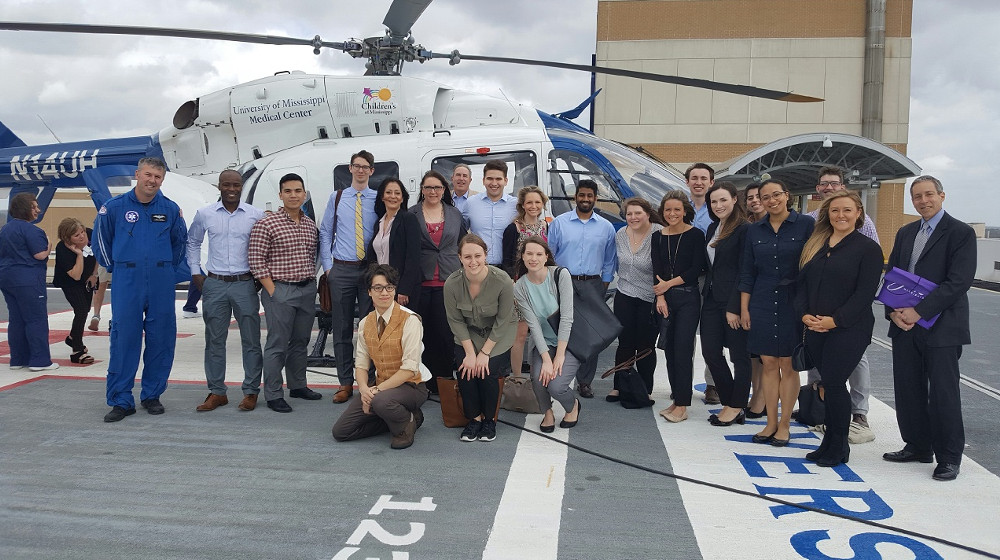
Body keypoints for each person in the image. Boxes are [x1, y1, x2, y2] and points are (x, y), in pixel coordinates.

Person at [882, 175, 976, 481]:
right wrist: (893, 312)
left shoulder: (959, 232)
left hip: (942, 327)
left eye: (928, 195)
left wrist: (918, 311)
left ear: (941, 195)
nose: (923, 201)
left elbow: (958, 281)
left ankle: (949, 456)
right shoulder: (906, 231)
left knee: (943, 393)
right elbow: (893, 275)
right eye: (917, 197)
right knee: (907, 388)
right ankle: (918, 445)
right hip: (904, 325)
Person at [94, 157, 188, 422]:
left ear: (162, 180)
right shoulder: (113, 207)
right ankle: (121, 400)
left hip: (161, 280)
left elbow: (179, 242)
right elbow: (101, 241)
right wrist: (118, 267)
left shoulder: (170, 209)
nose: (152, 181)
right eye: (148, 175)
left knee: (161, 338)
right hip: (127, 278)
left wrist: (166, 268)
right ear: (137, 174)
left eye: (158, 177)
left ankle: (152, 395)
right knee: (124, 338)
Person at [795, 191, 883, 467]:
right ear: (827, 214)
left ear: (859, 213)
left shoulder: (868, 249)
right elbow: (802, 285)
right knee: (827, 384)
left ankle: (839, 446)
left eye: (847, 210)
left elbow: (865, 293)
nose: (841, 216)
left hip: (848, 329)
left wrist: (836, 320)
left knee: (834, 383)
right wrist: (805, 315)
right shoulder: (815, 244)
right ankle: (829, 443)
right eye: (835, 211)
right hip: (815, 326)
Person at [738, 179, 815, 445]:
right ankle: (770, 423)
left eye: (776, 195)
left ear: (787, 195)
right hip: (761, 299)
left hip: (794, 301)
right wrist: (744, 308)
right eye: (765, 197)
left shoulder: (806, 224)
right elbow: (747, 272)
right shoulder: (754, 230)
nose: (771, 200)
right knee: (768, 363)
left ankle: (784, 425)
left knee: (788, 363)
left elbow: (813, 267)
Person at [187, 169, 265, 412]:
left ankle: (251, 391)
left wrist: (261, 275)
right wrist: (195, 272)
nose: (231, 189)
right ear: (219, 186)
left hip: (245, 284)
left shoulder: (255, 214)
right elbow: (193, 242)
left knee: (251, 340)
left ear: (241, 187)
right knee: (214, 341)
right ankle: (217, 392)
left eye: (236, 185)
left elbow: (265, 244)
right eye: (226, 185)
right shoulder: (205, 214)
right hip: (215, 284)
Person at [332, 264, 430, 450]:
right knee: (342, 432)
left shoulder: (410, 319)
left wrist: (375, 392)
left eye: (389, 287)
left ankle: (406, 424)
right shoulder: (365, 323)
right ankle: (393, 416)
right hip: (381, 388)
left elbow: (410, 368)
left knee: (381, 401)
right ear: (369, 292)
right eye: (378, 288)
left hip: (412, 387)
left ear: (394, 289)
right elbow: (361, 364)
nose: (384, 292)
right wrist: (364, 390)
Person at [249, 173, 323, 413]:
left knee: (301, 341)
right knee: (277, 344)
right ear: (280, 195)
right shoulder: (267, 223)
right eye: (288, 191)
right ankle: (273, 393)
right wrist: (273, 291)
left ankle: (298, 385)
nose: (293, 195)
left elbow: (312, 256)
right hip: (280, 290)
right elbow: (256, 260)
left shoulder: (310, 224)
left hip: (306, 289)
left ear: (304, 194)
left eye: (298, 191)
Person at [444, 234, 517, 442]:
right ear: (459, 257)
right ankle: (474, 419)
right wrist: (469, 353)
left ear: (485, 255)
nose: (473, 261)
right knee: (466, 369)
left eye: (478, 255)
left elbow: (503, 320)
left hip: (498, 332)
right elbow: (455, 321)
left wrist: (484, 353)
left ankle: (489, 421)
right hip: (469, 333)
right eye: (467, 257)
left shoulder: (502, 280)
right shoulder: (451, 284)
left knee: (487, 370)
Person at [547, 180, 616, 399]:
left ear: (595, 198)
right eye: (581, 195)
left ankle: (585, 381)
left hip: (593, 284)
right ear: (575, 197)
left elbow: (609, 259)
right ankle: (559, 376)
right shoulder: (559, 223)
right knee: (561, 330)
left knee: (591, 334)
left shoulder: (605, 226)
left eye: (590, 196)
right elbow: (550, 254)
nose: (585, 199)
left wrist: (603, 283)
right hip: (564, 281)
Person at [319, 150, 379, 404]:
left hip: (368, 270)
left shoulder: (377, 199)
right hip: (341, 269)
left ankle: (371, 382)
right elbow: (325, 233)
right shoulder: (337, 198)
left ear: (372, 171)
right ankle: (345, 383)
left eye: (366, 167)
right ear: (350, 169)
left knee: (370, 330)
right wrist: (328, 266)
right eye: (357, 166)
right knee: (341, 329)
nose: (361, 170)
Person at [513, 237, 581, 432]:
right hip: (543, 341)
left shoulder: (560, 275)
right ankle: (548, 413)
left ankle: (573, 405)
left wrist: (559, 355)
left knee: (556, 386)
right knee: (538, 377)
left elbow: (567, 317)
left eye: (539, 254)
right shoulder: (519, 287)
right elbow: (533, 325)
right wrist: (546, 359)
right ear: (523, 257)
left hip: (568, 342)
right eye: (529, 254)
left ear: (546, 257)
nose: (533, 258)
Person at [652, 191, 706, 423]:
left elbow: (697, 269)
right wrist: (661, 297)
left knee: (683, 350)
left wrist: (667, 285)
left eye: (676, 209)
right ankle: (676, 400)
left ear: (685, 211)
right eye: (668, 210)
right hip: (666, 300)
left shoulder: (695, 235)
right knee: (670, 351)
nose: (672, 214)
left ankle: (683, 405)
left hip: (688, 298)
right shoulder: (658, 236)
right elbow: (656, 269)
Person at [413, 170, 468, 393]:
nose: (433, 191)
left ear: (444, 190)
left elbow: (463, 244)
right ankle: (425, 382)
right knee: (423, 334)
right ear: (422, 190)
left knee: (446, 335)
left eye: (437, 187)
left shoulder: (454, 214)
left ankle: (444, 381)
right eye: (428, 187)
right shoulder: (412, 214)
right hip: (421, 283)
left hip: (449, 282)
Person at [701, 183, 751, 426]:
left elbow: (745, 271)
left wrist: (735, 307)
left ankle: (736, 405)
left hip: (733, 302)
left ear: (734, 199)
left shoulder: (744, 229)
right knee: (710, 352)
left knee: (739, 357)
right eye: (713, 202)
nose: (718, 205)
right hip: (711, 299)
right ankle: (732, 402)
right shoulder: (713, 227)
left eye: (723, 200)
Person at [607, 197, 662, 401]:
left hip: (650, 297)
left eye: (637, 213)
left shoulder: (658, 233)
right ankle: (619, 385)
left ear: (647, 213)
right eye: (629, 214)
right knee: (625, 342)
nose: (633, 217)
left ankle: (645, 388)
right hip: (625, 294)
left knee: (646, 345)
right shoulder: (621, 234)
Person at [0, 193, 56, 372]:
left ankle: (18, 359)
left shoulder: (5, 229)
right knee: (36, 319)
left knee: (16, 319)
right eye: (34, 207)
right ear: (26, 209)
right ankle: (40, 361)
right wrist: (49, 245)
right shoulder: (33, 230)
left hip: (7, 278)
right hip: (29, 279)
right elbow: (39, 255)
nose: (38, 210)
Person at [501, 185, 549, 376]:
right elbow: (507, 261)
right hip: (521, 287)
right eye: (529, 202)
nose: (533, 206)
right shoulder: (513, 229)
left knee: (543, 335)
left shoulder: (546, 226)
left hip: (542, 287)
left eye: (537, 202)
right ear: (522, 204)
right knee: (520, 335)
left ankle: (541, 376)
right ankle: (518, 378)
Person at [685, 163, 719, 404]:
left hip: (710, 279)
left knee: (711, 333)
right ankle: (682, 383)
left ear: (711, 182)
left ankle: (713, 384)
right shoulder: (679, 207)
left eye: (703, 178)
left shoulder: (717, 209)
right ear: (687, 182)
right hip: (684, 280)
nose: (698, 182)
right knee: (685, 334)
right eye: (694, 178)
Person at [367, 177, 422, 307]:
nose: (393, 196)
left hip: (401, 289)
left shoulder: (408, 219)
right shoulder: (378, 223)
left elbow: (413, 257)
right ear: (382, 197)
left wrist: (404, 289)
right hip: (382, 288)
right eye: (388, 192)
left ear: (402, 198)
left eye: (397, 193)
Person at [52, 217, 97, 364]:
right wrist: (79, 254)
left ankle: (72, 338)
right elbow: (76, 276)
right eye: (77, 235)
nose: (82, 236)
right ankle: (77, 351)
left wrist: (93, 274)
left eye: (82, 231)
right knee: (82, 310)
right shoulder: (62, 249)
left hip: (87, 278)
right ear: (67, 238)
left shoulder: (91, 234)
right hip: (70, 281)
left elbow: (98, 253)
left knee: (85, 310)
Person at [741, 181, 768, 418]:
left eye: (759, 196)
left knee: (767, 353)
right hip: (751, 293)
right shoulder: (748, 227)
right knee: (753, 351)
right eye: (750, 197)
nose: (755, 200)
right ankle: (756, 392)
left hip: (772, 296)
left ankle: (762, 397)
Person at [461, 159, 517, 266]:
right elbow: (460, 233)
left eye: (498, 179)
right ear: (483, 180)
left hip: (507, 269)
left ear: (506, 181)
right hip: (478, 267)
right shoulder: (470, 203)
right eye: (490, 178)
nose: (494, 183)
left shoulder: (515, 205)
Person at [88, 265, 110, 331]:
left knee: (101, 284)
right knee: (119, 286)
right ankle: (118, 318)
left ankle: (96, 315)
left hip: (103, 258)